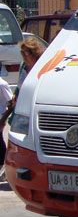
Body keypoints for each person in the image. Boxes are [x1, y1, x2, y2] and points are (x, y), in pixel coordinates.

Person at [0, 38, 44, 181]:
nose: (23, 56)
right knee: (14, 139)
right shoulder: (23, 66)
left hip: (35, 110)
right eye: (22, 52)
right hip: (20, 110)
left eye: (26, 52)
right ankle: (11, 168)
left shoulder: (41, 67)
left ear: (35, 52)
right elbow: (19, 88)